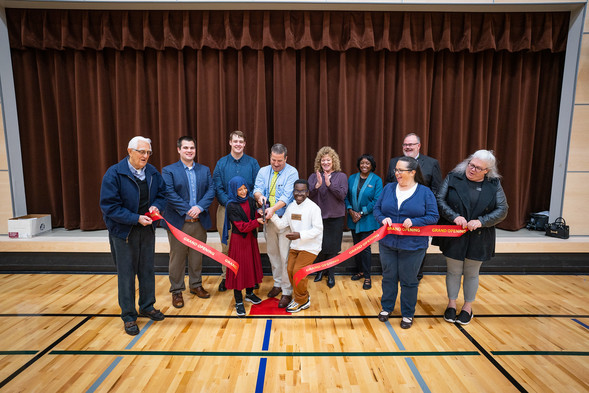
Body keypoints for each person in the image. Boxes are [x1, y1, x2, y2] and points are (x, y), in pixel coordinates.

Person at [100, 136, 166, 336]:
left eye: (148, 152)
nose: (145, 156)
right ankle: (129, 316)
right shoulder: (114, 174)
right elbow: (109, 207)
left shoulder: (153, 172)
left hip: (146, 230)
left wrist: (156, 206)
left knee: (147, 270)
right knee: (127, 275)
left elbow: (162, 195)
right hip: (124, 232)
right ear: (130, 151)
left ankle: (147, 306)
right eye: (141, 152)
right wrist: (135, 218)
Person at [434, 150, 508, 325]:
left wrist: (482, 221)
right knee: (453, 271)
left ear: (487, 171)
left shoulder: (494, 184)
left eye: (478, 168)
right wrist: (454, 216)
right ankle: (451, 305)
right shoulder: (454, 177)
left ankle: (467, 307)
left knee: (472, 273)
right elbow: (439, 200)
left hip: (480, 235)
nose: (472, 169)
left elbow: (503, 209)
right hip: (454, 233)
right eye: (471, 164)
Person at [373, 156, 439, 329]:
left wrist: (415, 222)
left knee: (409, 280)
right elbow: (377, 209)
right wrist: (382, 219)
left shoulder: (425, 192)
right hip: (387, 244)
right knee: (388, 277)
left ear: (412, 172)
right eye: (396, 170)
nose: (397, 173)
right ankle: (386, 308)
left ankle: (408, 313)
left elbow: (434, 216)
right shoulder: (388, 188)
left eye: (400, 170)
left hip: (413, 246)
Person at [161, 136, 215, 308]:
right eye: (185, 148)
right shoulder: (169, 171)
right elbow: (169, 193)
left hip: (199, 221)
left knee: (196, 256)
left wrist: (199, 207)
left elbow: (211, 190)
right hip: (179, 223)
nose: (189, 151)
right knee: (177, 258)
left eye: (192, 148)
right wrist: (187, 209)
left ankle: (196, 285)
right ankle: (176, 290)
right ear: (179, 150)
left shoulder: (204, 170)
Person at [385, 133, 443, 281]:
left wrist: (427, 208)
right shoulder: (394, 162)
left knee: (417, 251)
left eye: (411, 144)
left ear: (419, 146)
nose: (408, 147)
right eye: (405, 145)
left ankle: (415, 276)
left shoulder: (432, 163)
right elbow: (388, 185)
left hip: (420, 218)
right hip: (396, 220)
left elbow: (437, 189)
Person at [213, 131, 260, 292]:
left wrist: (246, 203)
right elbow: (218, 187)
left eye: (241, 141)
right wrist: (232, 204)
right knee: (226, 245)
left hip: (248, 209)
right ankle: (227, 277)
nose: (238, 144)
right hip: (226, 209)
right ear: (230, 143)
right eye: (235, 141)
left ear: (245, 144)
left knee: (249, 244)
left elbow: (256, 186)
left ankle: (250, 278)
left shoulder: (252, 163)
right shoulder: (221, 163)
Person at [253, 143, 299, 308]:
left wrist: (271, 209)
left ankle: (287, 291)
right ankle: (277, 284)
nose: (276, 164)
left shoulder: (292, 172)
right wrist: (260, 198)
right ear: (270, 157)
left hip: (284, 220)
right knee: (272, 254)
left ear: (286, 158)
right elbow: (256, 189)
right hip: (269, 220)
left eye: (280, 161)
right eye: (273, 160)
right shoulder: (263, 171)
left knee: (285, 256)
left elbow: (287, 197)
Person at [270, 179, 323, 312]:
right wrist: (271, 214)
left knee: (298, 272)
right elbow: (282, 224)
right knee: (289, 271)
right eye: (296, 191)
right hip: (296, 246)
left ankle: (301, 300)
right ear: (293, 192)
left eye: (302, 191)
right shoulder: (291, 206)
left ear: (308, 192)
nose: (299, 193)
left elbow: (318, 230)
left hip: (311, 247)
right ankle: (303, 296)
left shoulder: (313, 208)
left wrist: (299, 235)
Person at [224, 176, 264, 316]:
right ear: (234, 190)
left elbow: (254, 214)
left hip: (250, 239)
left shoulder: (251, 200)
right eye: (239, 189)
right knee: (238, 271)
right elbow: (241, 227)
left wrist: (260, 211)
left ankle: (249, 293)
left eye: (245, 188)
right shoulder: (231, 205)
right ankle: (239, 301)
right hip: (239, 241)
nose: (243, 191)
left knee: (250, 267)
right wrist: (257, 222)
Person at [308, 146, 348, 288]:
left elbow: (342, 195)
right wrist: (317, 185)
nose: (325, 163)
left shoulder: (341, 176)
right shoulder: (314, 176)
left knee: (332, 247)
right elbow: (308, 196)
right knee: (319, 246)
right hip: (317, 218)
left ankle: (331, 274)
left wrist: (330, 184)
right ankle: (320, 271)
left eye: (328, 160)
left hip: (335, 217)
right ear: (320, 161)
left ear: (333, 161)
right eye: (323, 160)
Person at [345, 154, 383, 290]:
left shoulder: (377, 180)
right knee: (356, 247)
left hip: (367, 220)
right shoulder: (351, 178)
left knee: (365, 249)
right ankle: (360, 271)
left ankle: (367, 276)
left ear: (372, 165)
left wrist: (361, 213)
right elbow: (346, 197)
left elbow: (377, 200)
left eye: (367, 163)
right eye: (362, 163)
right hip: (352, 218)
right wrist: (350, 211)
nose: (364, 166)